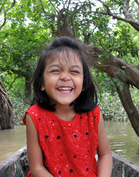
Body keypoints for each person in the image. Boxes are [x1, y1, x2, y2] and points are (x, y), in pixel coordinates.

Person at [23, 36, 112, 177]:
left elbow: (105, 155)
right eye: (55, 71)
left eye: (74, 71)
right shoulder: (34, 116)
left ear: (84, 84)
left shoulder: (93, 113)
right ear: (42, 83)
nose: (65, 77)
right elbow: (37, 168)